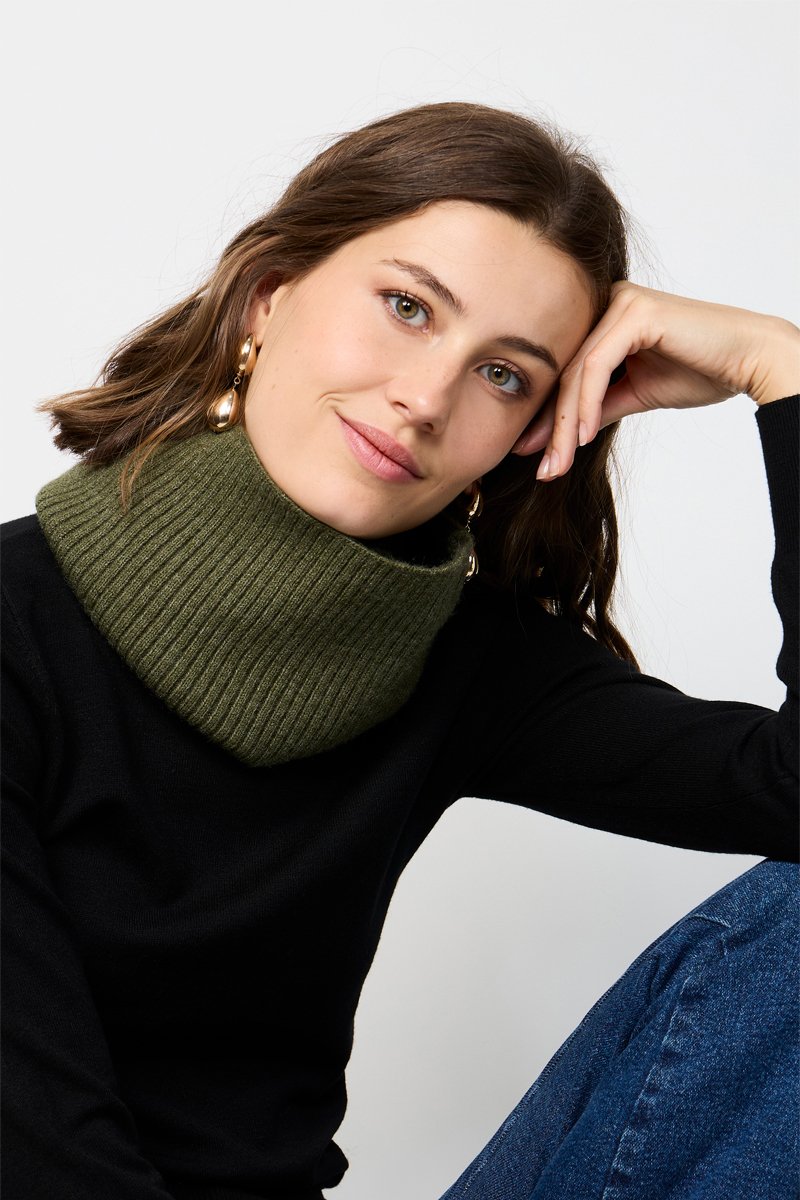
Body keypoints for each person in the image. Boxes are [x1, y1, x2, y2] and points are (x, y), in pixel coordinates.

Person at [1, 101, 796, 1200]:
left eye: (505, 374)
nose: (425, 399)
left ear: (535, 430)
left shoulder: (463, 660)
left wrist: (778, 367)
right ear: (269, 293)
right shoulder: (16, 623)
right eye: (408, 307)